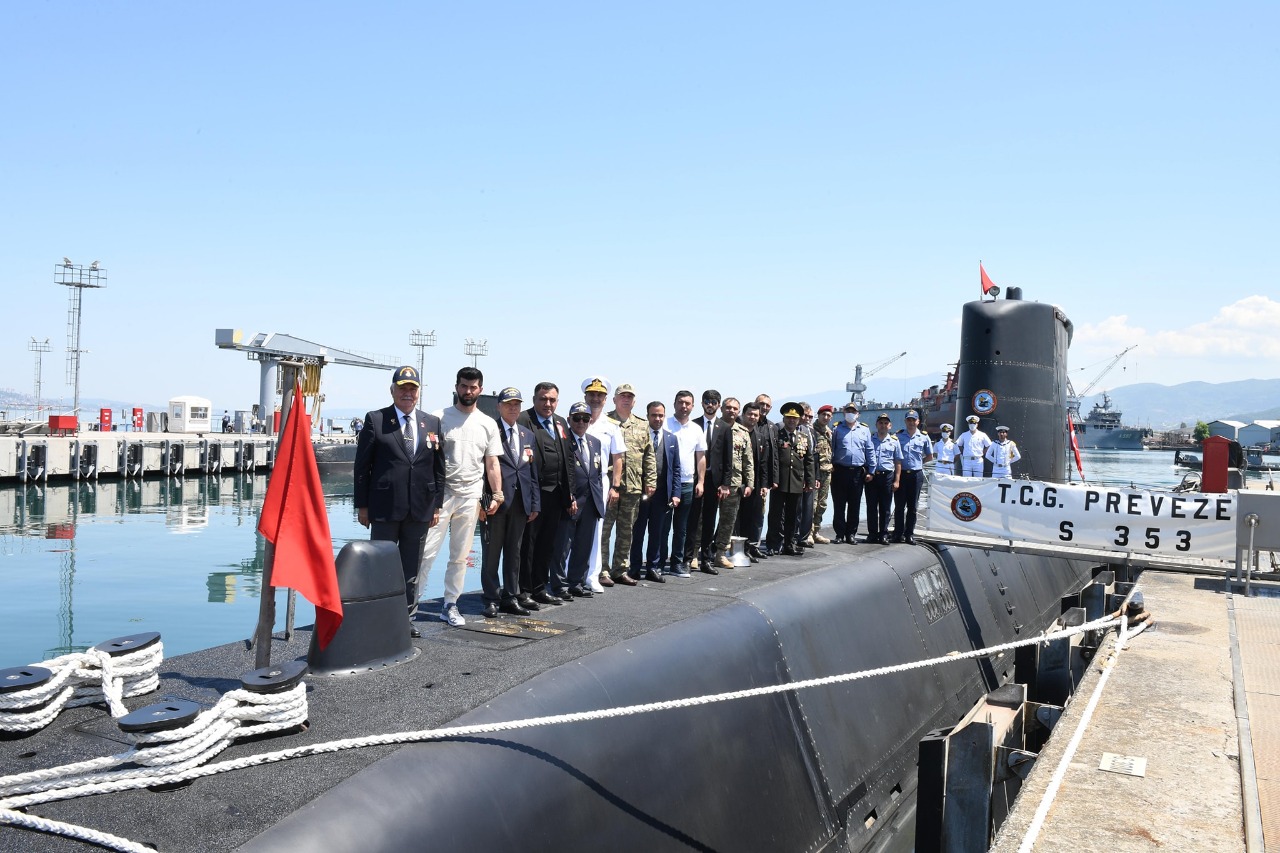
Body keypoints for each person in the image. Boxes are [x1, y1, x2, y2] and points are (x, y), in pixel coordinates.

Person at [353, 365, 445, 637]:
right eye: (402, 388)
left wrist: (437, 505)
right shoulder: (376, 419)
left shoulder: (432, 423)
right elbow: (362, 467)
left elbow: (439, 468)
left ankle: (405, 619)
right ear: (392, 390)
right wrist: (363, 506)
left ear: (419, 392)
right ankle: (377, 617)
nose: (408, 393)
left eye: (412, 389)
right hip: (384, 508)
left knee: (411, 569)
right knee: (380, 565)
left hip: (420, 508)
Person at [417, 366, 504, 628]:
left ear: (480, 390)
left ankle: (450, 604)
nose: (468, 391)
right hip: (441, 496)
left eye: (473, 387)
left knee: (460, 556)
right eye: (464, 386)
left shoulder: (488, 424)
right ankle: (409, 605)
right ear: (456, 387)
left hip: (470, 495)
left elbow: (492, 463)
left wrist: (497, 494)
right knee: (426, 553)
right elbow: (426, 458)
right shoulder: (438, 418)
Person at [480, 387, 540, 618]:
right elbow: (482, 471)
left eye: (516, 404)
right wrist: (483, 502)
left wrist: (534, 504)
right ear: (499, 406)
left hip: (520, 502)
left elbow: (531, 472)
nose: (513, 408)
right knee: (491, 554)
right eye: (508, 404)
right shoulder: (490, 431)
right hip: (495, 503)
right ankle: (491, 598)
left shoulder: (527, 435)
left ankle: (510, 596)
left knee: (514, 553)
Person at [518, 382, 574, 608]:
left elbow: (567, 458)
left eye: (552, 400)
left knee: (546, 544)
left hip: (556, 494)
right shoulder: (524, 420)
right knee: (528, 545)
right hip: (533, 494)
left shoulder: (560, 422)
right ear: (534, 400)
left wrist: (569, 493)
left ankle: (540, 587)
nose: (547, 404)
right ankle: (523, 591)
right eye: (543, 399)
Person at [603, 382, 655, 586]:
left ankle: (620, 569)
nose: (626, 399)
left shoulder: (642, 425)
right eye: (622, 396)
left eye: (630, 397)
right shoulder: (605, 421)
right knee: (604, 531)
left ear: (634, 401)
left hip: (633, 485)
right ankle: (602, 570)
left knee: (626, 532)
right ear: (614, 400)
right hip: (609, 485)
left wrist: (650, 481)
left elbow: (649, 455)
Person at [554, 402, 606, 598]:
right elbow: (560, 472)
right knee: (562, 547)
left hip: (591, 502)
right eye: (577, 418)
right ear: (569, 419)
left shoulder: (595, 442)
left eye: (585, 418)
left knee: (584, 546)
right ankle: (559, 585)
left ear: (590, 421)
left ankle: (577, 582)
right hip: (571, 502)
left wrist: (598, 496)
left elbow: (597, 472)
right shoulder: (562, 440)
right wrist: (568, 497)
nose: (581, 422)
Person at [581, 377, 625, 592]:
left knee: (597, 530)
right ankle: (569, 574)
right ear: (585, 397)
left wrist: (615, 487)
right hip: (577, 481)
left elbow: (618, 458)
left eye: (600, 395)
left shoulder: (612, 426)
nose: (595, 398)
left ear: (606, 399)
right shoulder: (577, 420)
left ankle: (592, 575)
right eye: (592, 394)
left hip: (600, 481)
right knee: (571, 528)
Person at [630, 401, 682, 582]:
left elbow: (676, 469)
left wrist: (675, 493)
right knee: (637, 533)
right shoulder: (639, 436)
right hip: (641, 494)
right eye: (654, 415)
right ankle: (634, 568)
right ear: (647, 416)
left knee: (657, 533)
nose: (657, 419)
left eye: (661, 415)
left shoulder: (671, 439)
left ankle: (653, 567)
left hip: (661, 495)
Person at [687, 389, 733, 574]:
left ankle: (706, 560)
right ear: (702, 403)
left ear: (718, 405)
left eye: (714, 402)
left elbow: (728, 458)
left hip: (714, 481)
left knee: (709, 520)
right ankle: (690, 557)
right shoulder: (693, 424)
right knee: (693, 520)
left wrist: (725, 484)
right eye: (707, 401)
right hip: (696, 479)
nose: (710, 405)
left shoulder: (725, 428)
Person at [665, 390, 707, 578]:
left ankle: (677, 563)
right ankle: (658, 562)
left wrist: (701, 481)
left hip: (687, 483)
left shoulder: (696, 429)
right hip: (666, 484)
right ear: (674, 403)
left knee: (682, 528)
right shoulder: (665, 424)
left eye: (687, 403)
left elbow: (701, 457)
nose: (684, 406)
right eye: (680, 402)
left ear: (692, 406)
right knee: (663, 527)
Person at [765, 402, 814, 556]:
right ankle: (773, 544)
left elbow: (809, 460)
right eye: (789, 418)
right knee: (775, 515)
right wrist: (772, 479)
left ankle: (789, 544)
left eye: (794, 418)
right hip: (779, 482)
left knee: (793, 516)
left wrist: (810, 481)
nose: (791, 421)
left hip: (797, 482)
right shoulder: (776, 435)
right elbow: (772, 459)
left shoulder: (803, 437)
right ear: (784, 419)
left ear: (799, 420)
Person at [711, 398, 754, 569]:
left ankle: (721, 554)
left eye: (735, 408)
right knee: (702, 520)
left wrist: (750, 483)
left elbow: (748, 460)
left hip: (734, 483)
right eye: (728, 407)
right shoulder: (713, 427)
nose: (731, 411)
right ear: (721, 408)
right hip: (713, 482)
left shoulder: (742, 432)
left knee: (728, 521)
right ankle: (696, 553)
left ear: (739, 411)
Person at [830, 403, 874, 544]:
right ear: (844, 413)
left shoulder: (864, 430)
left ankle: (851, 534)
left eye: (853, 411)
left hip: (857, 472)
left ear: (858, 414)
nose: (850, 413)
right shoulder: (837, 428)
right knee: (839, 505)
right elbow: (831, 449)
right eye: (848, 411)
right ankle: (839, 534)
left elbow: (869, 450)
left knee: (854, 505)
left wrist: (872, 470)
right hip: (839, 471)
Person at [736, 401, 775, 561]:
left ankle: (748, 548)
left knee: (752, 517)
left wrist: (764, 485)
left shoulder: (760, 437)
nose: (752, 417)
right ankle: (727, 549)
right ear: (743, 415)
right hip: (737, 482)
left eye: (755, 415)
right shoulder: (734, 433)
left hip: (755, 483)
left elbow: (764, 463)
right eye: (750, 414)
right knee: (734, 518)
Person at [892, 410, 933, 544]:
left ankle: (909, 533)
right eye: (909, 420)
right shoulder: (898, 436)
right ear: (905, 421)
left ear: (918, 422)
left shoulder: (924, 437)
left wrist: (919, 464)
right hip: (901, 474)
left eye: (913, 420)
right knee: (899, 506)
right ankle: (898, 533)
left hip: (916, 474)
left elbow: (929, 456)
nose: (911, 422)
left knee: (913, 507)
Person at [865, 413, 902, 545]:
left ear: (890, 426)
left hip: (887, 476)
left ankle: (883, 534)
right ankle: (872, 534)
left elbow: (898, 462)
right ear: (876, 425)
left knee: (885, 507)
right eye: (881, 423)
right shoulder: (870, 440)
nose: (883, 425)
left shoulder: (894, 441)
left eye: (886, 423)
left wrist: (897, 480)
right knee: (871, 507)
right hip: (872, 476)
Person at [808, 404, 835, 544]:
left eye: (828, 415)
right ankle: (808, 532)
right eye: (823, 415)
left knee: (822, 504)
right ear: (818, 416)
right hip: (815, 472)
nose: (825, 417)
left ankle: (816, 532)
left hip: (827, 471)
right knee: (811, 504)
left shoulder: (829, 432)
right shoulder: (811, 431)